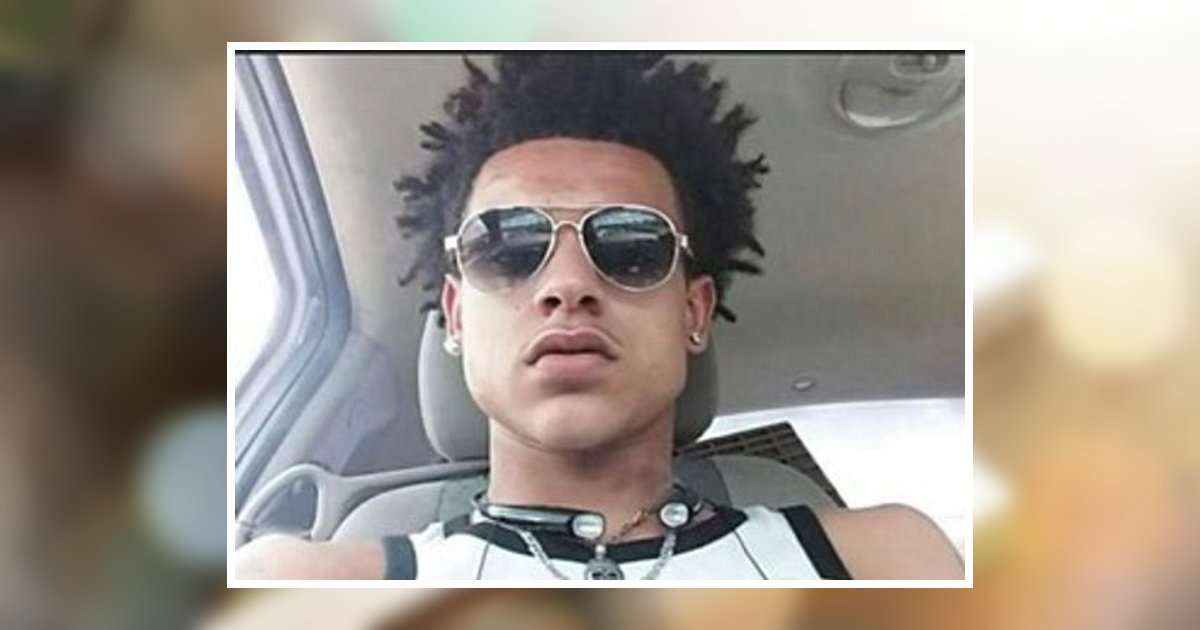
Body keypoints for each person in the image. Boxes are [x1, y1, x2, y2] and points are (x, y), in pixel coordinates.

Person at [235, 53, 963, 580]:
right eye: (508, 246)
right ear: (455, 317)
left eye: (632, 246)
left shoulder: (884, 559)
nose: (567, 284)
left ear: (694, 312)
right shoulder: (305, 584)